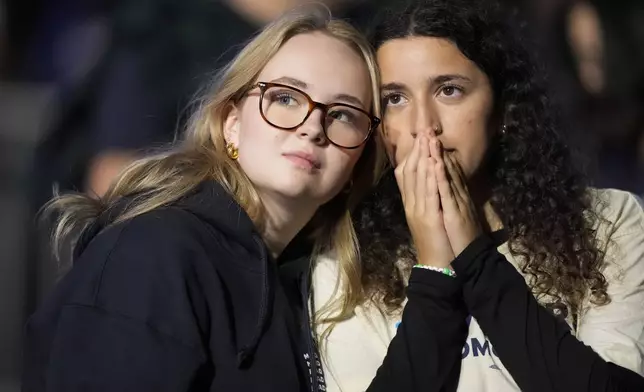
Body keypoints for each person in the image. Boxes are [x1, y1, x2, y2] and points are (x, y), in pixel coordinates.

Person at [21, 7, 387, 391]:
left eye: (344, 115)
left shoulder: (303, 288)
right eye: (285, 98)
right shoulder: (154, 252)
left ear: (357, 164)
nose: (313, 126)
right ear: (231, 123)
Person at [311, 0, 644, 391]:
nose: (424, 126)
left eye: (449, 90)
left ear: (503, 109)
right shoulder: (347, 259)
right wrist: (435, 271)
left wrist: (474, 254)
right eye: (395, 99)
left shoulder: (608, 221)